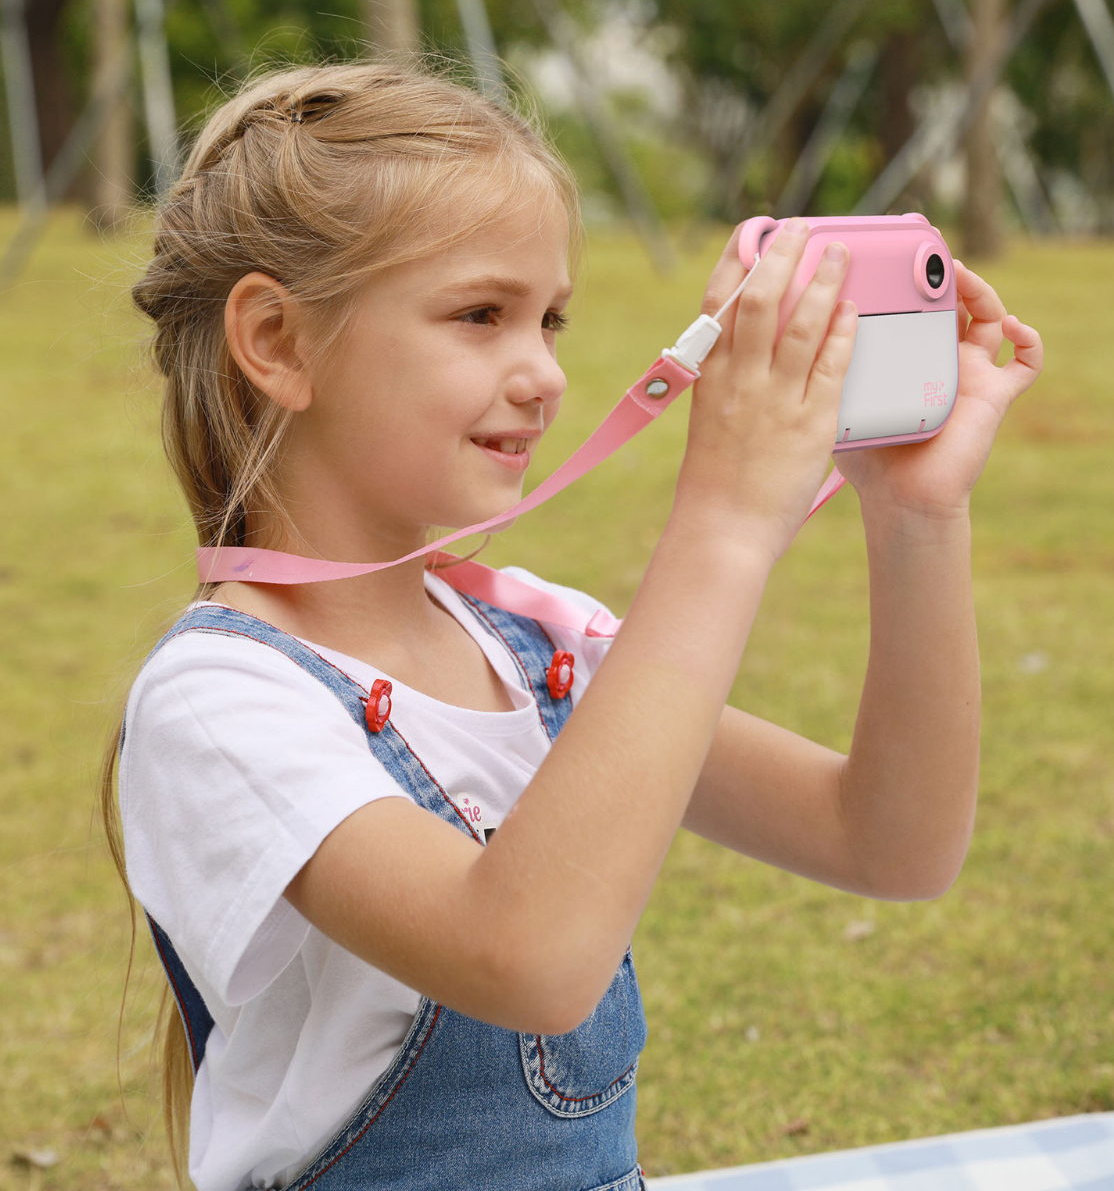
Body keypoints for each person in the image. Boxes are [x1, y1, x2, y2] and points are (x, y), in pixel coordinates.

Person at [102, 61, 1043, 1191]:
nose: (544, 372)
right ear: (279, 342)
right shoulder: (218, 700)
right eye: (480, 315)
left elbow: (889, 843)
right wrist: (726, 522)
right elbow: (528, 958)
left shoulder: (530, 647)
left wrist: (915, 517)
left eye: (549, 318)